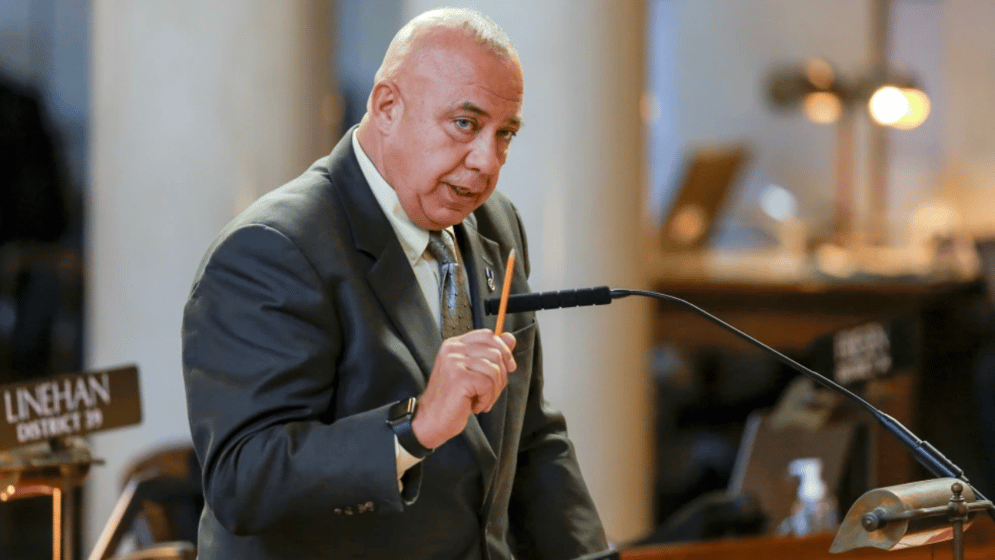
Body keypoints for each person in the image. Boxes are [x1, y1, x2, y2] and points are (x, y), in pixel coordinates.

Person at [182, 8, 610, 560]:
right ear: (387, 107)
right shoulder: (273, 248)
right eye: (465, 124)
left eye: (504, 134)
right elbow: (243, 481)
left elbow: (529, 437)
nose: (486, 161)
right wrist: (414, 428)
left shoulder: (495, 223)